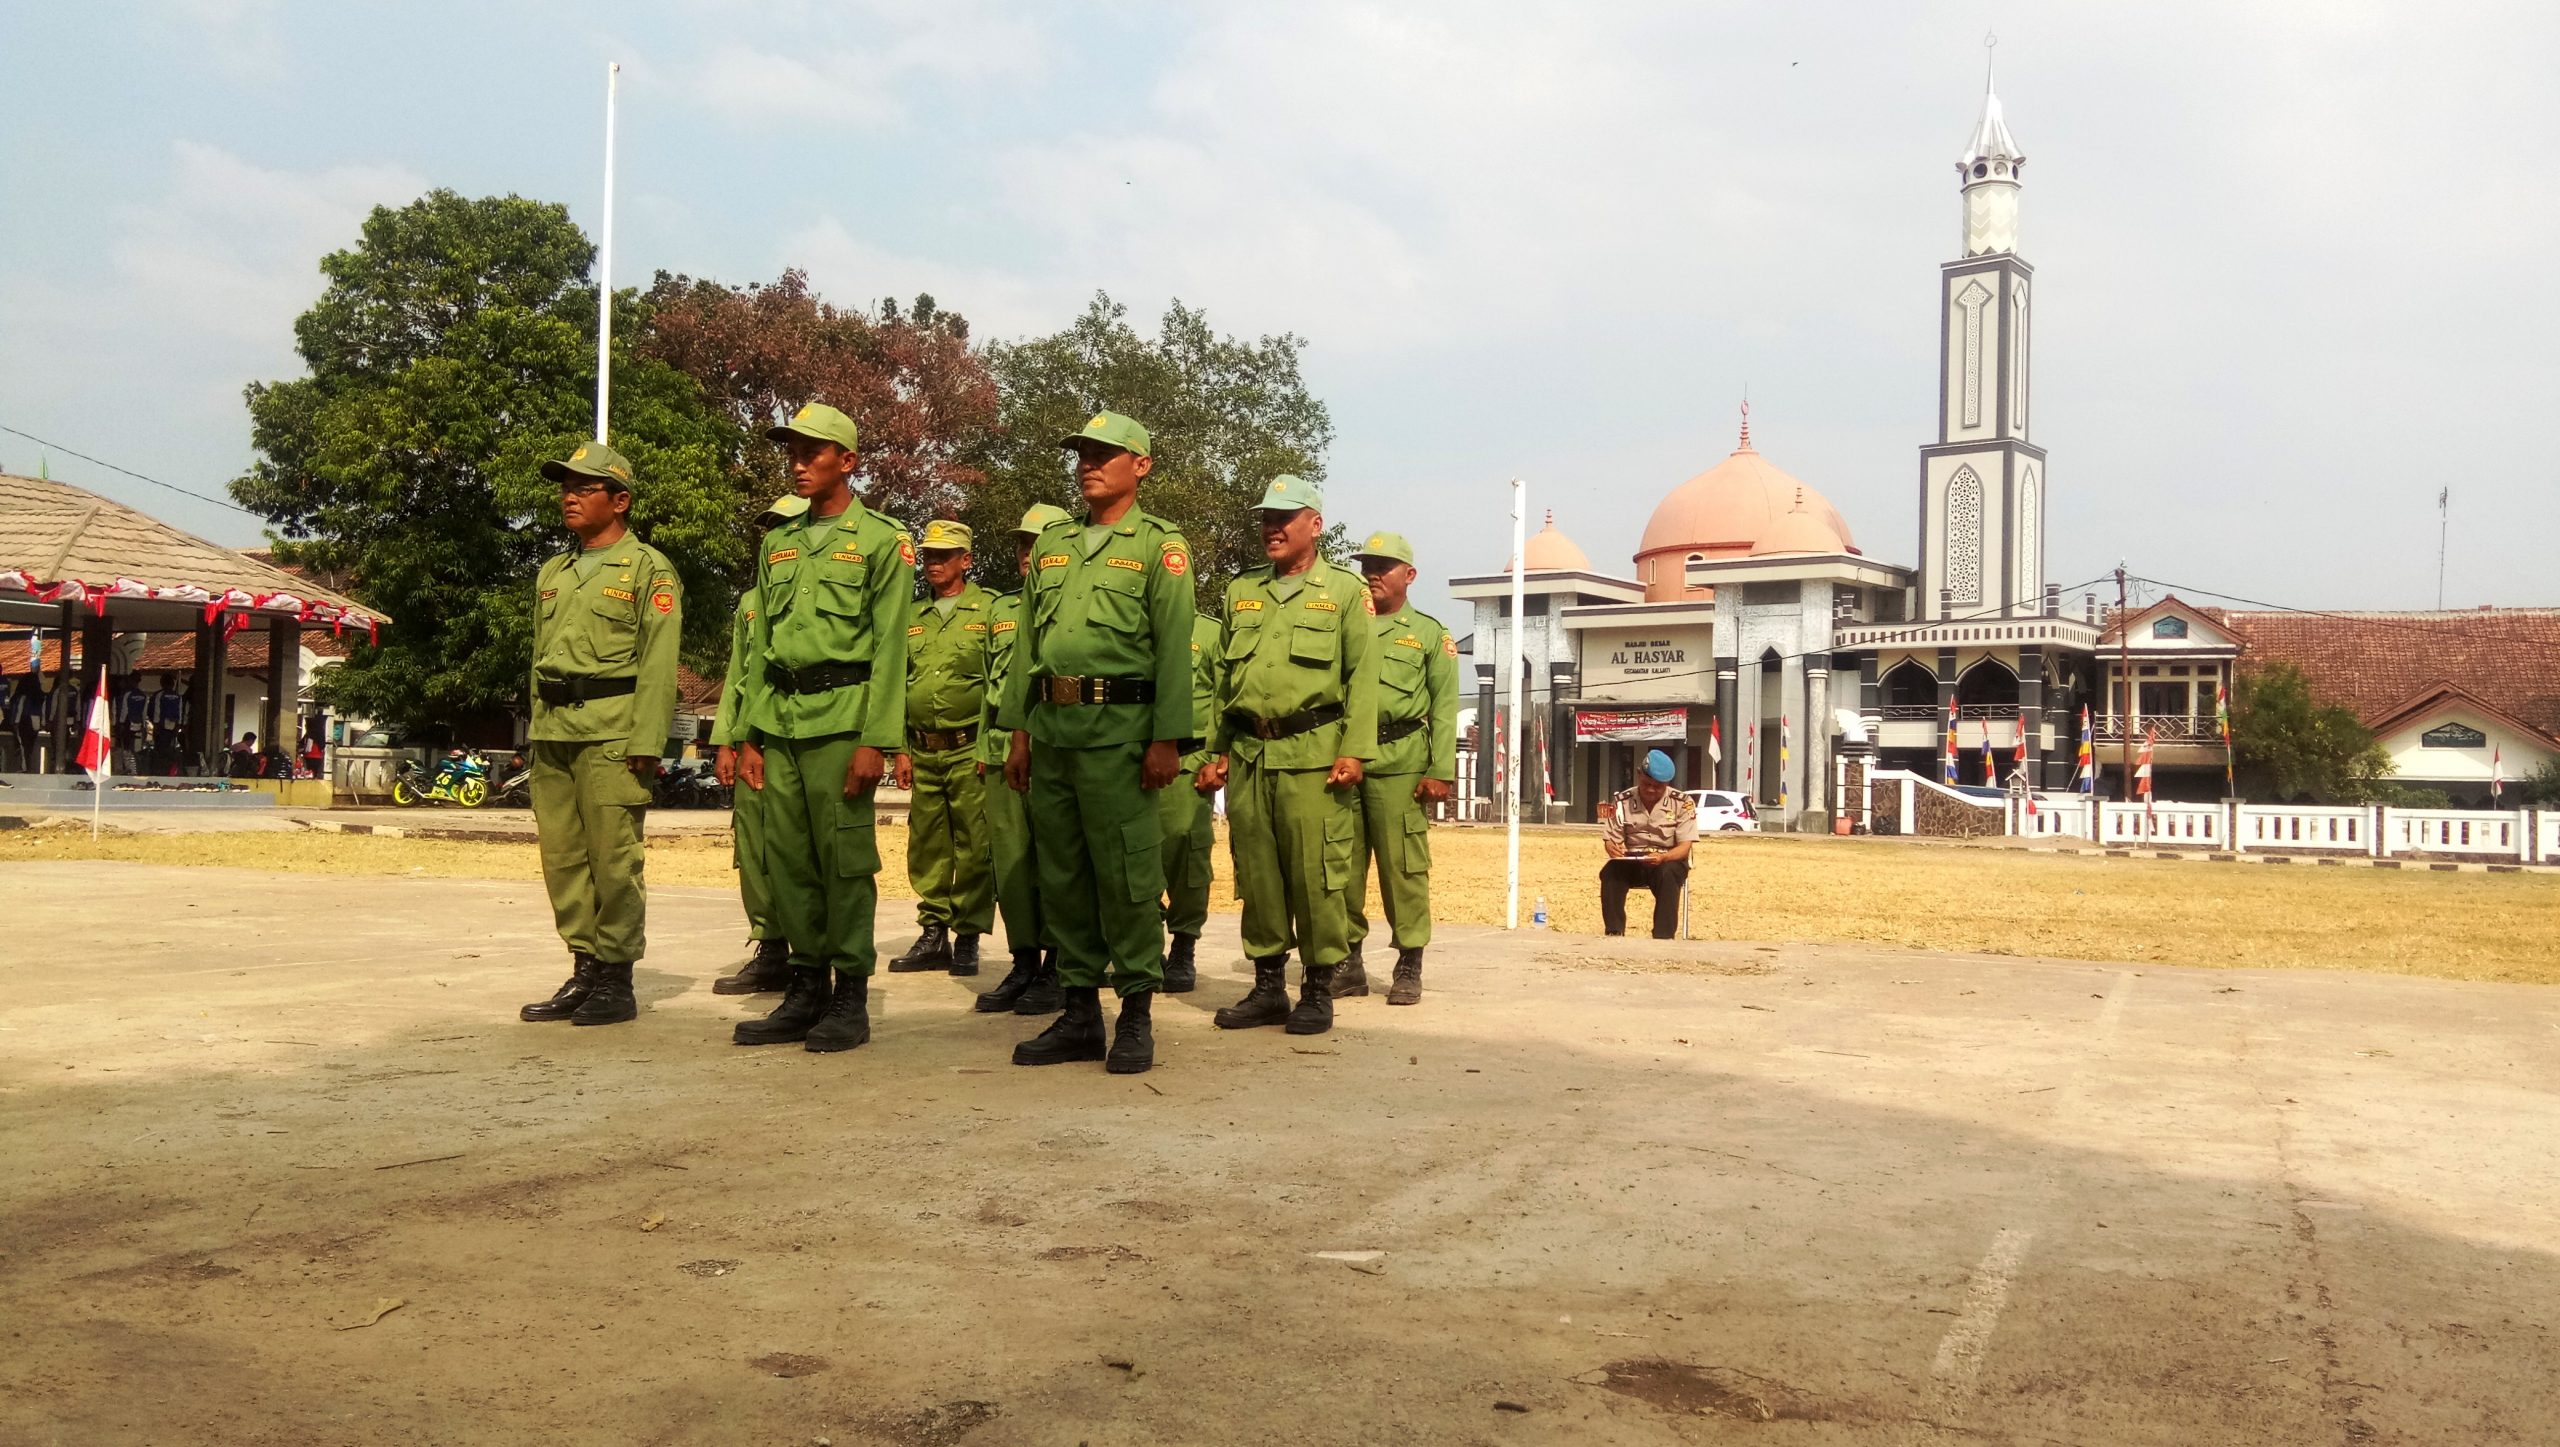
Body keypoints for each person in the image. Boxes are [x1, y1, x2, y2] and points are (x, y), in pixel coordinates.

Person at [997, 411, 1194, 1074]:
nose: (1088, 463)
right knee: (1063, 876)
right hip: (1053, 734)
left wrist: (1167, 738)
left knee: (1128, 878)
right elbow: (1028, 644)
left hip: (1120, 736)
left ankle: (1135, 1012)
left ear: (1140, 466)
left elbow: (1173, 650)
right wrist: (1018, 731)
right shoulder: (1053, 545)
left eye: (1104, 453)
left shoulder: (1158, 547)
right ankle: (1080, 1012)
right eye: (1082, 452)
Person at [731, 403, 914, 1054]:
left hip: (843, 722)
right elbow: (765, 646)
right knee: (789, 861)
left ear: (848, 461)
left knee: (843, 862)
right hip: (779, 722)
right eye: (793, 451)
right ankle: (805, 987)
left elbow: (893, 645)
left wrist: (878, 740)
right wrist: (750, 735)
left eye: (813, 452)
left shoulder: (882, 541)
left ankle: (851, 995)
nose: (799, 462)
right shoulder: (777, 543)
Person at [1197, 474, 1378, 1038]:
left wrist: (1354, 751)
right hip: (1251, 754)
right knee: (1258, 873)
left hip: (1313, 755)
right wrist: (1216, 748)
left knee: (1315, 876)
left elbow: (1362, 676)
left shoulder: (1346, 591)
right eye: (1265, 519)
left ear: (1314, 525)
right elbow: (1225, 677)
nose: (1270, 528)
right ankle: (1268, 986)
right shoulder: (1240, 590)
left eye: (1283, 518)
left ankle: (1319, 988)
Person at [516, 440, 683, 1027]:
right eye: (566, 487)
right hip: (555, 733)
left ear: (620, 500)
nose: (569, 497)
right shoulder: (553, 571)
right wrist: (535, 730)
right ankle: (583, 967)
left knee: (614, 861)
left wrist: (647, 743)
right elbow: (539, 658)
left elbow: (660, 664)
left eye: (584, 488)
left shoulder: (647, 569)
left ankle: (617, 978)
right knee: (562, 859)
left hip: (613, 734)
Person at [1335, 531, 1458, 1006]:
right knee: (1341, 865)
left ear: (1408, 575)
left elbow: (1446, 707)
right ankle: (1348, 962)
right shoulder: (1348, 626)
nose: (1372, 574)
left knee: (1402, 868)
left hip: (1401, 763)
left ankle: (1409, 960)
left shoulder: (1429, 634)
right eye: (1367, 564)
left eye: (1383, 566)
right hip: (1348, 760)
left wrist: (1440, 770)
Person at [971, 503, 1071, 1016]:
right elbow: (991, 686)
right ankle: (1024, 960)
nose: (1028, 555)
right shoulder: (1000, 611)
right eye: (1022, 546)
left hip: (1052, 746)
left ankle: (1060, 964)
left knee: (1055, 862)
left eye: (1038, 544)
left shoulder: (1071, 607)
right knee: (1009, 862)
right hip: (999, 749)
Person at [708, 493, 809, 997]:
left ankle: (810, 951)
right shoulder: (750, 603)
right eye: (768, 527)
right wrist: (725, 739)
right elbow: (737, 677)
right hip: (752, 736)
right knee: (753, 845)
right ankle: (770, 947)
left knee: (800, 846)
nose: (775, 536)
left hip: (799, 730)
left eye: (783, 525)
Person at [887, 520, 997, 977]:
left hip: (969, 747)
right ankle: (934, 933)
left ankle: (968, 934)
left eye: (944, 555)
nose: (934, 563)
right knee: (927, 842)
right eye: (929, 555)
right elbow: (897, 685)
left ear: (966, 560)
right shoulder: (912, 617)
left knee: (974, 843)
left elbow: (997, 683)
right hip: (923, 749)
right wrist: (900, 749)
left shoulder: (988, 610)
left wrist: (989, 748)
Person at [1154, 607, 1224, 993]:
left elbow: (1222, 696)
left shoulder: (1210, 632)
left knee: (1186, 851)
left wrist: (1216, 758)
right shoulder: (1134, 624)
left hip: (1190, 760)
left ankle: (1183, 947)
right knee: (1135, 856)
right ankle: (1146, 947)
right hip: (1136, 758)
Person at [1600, 749, 1699, 939]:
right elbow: (1611, 839)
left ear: (1668, 784)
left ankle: (1663, 937)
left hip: (1668, 859)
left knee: (1668, 873)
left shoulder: (1683, 803)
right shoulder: (1622, 801)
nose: (1652, 790)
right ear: (1638, 774)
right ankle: (1614, 932)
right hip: (1633, 859)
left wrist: (1663, 857)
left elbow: (1685, 847)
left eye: (1658, 786)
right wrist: (1612, 847)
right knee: (1611, 871)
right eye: (1647, 784)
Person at [150, 674, 187, 775]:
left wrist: (156, 725)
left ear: (162, 683)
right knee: (170, 747)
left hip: (161, 725)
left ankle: (160, 768)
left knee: (160, 748)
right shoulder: (178, 696)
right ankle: (169, 768)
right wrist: (178, 725)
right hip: (173, 726)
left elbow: (156, 710)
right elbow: (180, 712)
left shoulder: (159, 695)